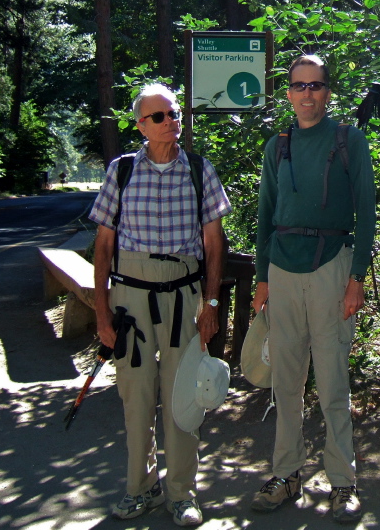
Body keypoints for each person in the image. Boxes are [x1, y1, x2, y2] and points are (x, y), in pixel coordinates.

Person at [89, 83, 231, 526]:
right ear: (140, 126)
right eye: (159, 117)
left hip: (184, 296)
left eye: (173, 113)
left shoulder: (198, 170)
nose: (171, 121)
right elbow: (103, 245)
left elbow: (214, 243)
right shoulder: (122, 171)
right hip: (129, 297)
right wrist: (100, 313)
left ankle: (182, 493)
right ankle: (139, 488)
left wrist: (210, 302)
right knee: (136, 394)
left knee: (184, 394)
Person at [250, 55, 376, 523]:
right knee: (285, 383)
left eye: (316, 86)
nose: (307, 94)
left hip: (331, 268)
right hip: (282, 270)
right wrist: (262, 278)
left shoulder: (349, 140)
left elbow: (366, 209)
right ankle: (287, 475)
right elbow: (264, 214)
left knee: (333, 382)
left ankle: (343, 482)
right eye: (299, 86)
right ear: (288, 94)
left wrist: (356, 278)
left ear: (328, 92)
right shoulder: (276, 147)